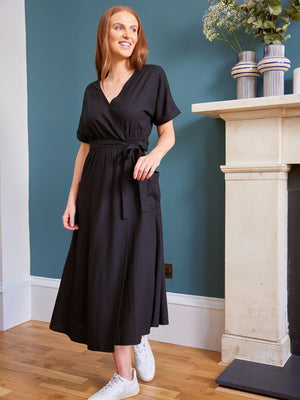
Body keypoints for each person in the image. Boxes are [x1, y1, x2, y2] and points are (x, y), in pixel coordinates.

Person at [49, 4, 181, 399]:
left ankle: (134, 341)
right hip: (96, 192)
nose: (128, 34)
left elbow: (168, 135)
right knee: (105, 274)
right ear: (105, 34)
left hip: (135, 188)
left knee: (133, 271)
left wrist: (154, 156)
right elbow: (84, 152)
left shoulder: (152, 78)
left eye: (134, 29)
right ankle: (126, 375)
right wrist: (71, 199)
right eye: (119, 27)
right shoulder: (92, 91)